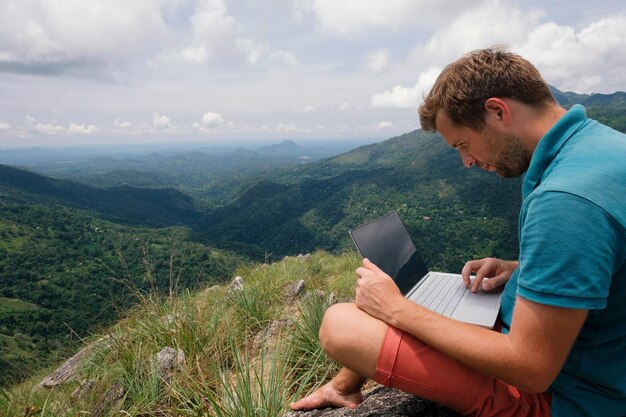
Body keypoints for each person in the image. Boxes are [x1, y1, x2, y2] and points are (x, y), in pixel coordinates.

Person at [290, 48, 626, 417]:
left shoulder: (566, 200)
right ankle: (343, 386)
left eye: (463, 144)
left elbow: (531, 369)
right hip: (596, 359)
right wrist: (523, 269)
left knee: (341, 324)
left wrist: (398, 310)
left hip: (571, 398)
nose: (466, 162)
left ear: (498, 112)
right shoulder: (603, 148)